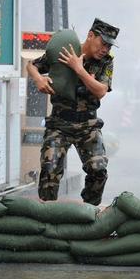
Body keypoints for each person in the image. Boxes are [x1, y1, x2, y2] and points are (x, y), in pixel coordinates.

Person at [26, 18, 120, 206]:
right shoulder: (66, 51)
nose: (105, 50)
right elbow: (32, 65)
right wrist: (38, 79)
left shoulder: (105, 63)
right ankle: (46, 217)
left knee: (98, 170)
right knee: (50, 170)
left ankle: (88, 212)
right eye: (103, 43)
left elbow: (101, 90)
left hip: (88, 125)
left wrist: (79, 69)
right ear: (91, 35)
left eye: (109, 47)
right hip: (59, 124)